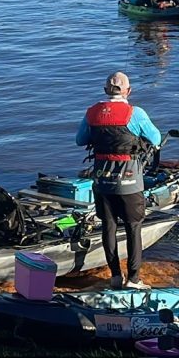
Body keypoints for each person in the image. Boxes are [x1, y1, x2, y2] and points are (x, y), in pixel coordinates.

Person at [76, 71, 161, 290]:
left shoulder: (92, 112)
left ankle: (115, 276)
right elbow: (156, 138)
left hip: (102, 181)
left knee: (108, 226)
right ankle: (133, 279)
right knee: (134, 228)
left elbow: (80, 140)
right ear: (128, 91)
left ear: (105, 90)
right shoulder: (136, 113)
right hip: (130, 181)